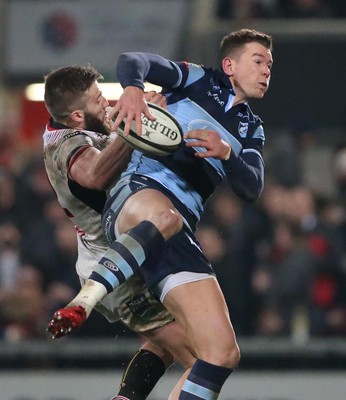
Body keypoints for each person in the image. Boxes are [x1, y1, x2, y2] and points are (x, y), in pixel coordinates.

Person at [51, 28, 273, 399]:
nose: (267, 70)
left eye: (270, 64)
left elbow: (252, 187)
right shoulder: (201, 80)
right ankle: (86, 298)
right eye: (259, 61)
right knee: (164, 217)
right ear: (230, 64)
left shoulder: (252, 128)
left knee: (220, 354)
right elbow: (133, 61)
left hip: (178, 233)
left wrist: (227, 154)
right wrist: (134, 91)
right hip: (138, 195)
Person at [42, 65, 196, 400]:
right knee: (202, 361)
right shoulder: (66, 145)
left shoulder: (82, 126)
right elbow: (95, 174)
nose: (108, 103)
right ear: (78, 116)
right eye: (99, 100)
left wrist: (152, 113)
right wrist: (134, 122)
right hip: (116, 270)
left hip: (136, 251)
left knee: (164, 346)